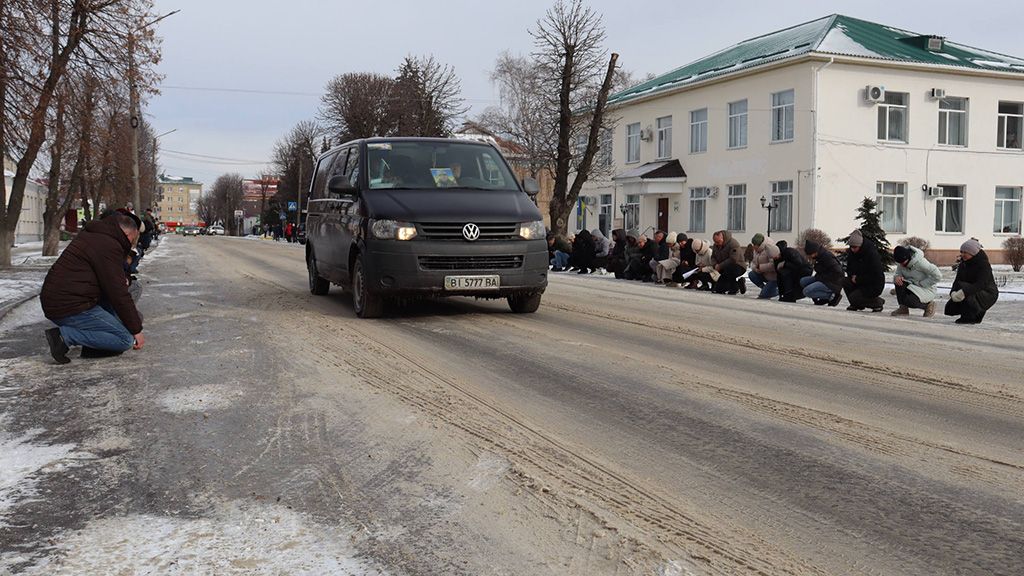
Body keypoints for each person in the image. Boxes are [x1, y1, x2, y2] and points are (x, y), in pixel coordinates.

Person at [41, 211, 145, 364]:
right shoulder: (108, 245)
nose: (131, 243)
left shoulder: (96, 237)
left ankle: (94, 344)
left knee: (131, 320)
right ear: (127, 233)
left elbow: (111, 282)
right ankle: (64, 337)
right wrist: (137, 330)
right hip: (70, 306)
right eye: (132, 238)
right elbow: (117, 292)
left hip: (66, 299)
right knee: (124, 339)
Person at [944, 239, 999, 324]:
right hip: (970, 289)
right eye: (961, 252)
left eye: (965, 252)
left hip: (988, 293)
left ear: (973, 253)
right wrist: (953, 292)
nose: (962, 254)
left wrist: (963, 292)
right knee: (950, 309)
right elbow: (957, 281)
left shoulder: (983, 265)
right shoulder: (963, 264)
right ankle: (976, 313)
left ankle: (969, 317)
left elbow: (981, 284)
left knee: (967, 292)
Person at [891, 245, 942, 317]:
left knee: (910, 301)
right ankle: (903, 308)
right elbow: (898, 273)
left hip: (926, 289)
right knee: (899, 282)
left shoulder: (921, 263)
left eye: (903, 262)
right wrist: (896, 277)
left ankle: (928, 306)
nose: (902, 265)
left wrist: (922, 283)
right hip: (912, 286)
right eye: (900, 263)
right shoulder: (901, 263)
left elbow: (938, 276)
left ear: (908, 258)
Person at [842, 229, 885, 312]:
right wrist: (852, 276)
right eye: (851, 247)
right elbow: (849, 268)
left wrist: (858, 279)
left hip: (873, 285)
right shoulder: (852, 254)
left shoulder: (871, 254)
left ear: (860, 245)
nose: (852, 249)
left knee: (854, 297)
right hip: (858, 281)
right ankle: (855, 304)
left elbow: (875, 275)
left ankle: (877, 303)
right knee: (844, 281)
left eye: (855, 247)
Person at [800, 241, 844, 306]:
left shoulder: (827, 257)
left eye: (810, 254)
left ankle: (832, 296)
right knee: (803, 281)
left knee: (806, 291)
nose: (810, 256)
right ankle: (822, 298)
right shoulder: (819, 256)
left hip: (833, 282)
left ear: (814, 252)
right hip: (822, 279)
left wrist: (822, 277)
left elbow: (838, 272)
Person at [709, 230, 747, 294]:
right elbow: (713, 257)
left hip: (739, 266)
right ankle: (735, 287)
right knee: (727, 273)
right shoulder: (715, 245)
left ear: (723, 238)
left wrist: (720, 265)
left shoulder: (733, 243)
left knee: (727, 273)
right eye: (715, 242)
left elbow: (733, 259)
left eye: (718, 242)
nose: (717, 244)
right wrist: (715, 264)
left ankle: (719, 289)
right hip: (724, 266)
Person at [748, 233, 779, 299]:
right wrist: (755, 268)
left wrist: (761, 267)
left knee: (763, 296)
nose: (753, 247)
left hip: (773, 278)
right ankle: (765, 288)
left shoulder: (771, 249)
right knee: (751, 274)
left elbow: (774, 265)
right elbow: (753, 263)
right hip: (763, 274)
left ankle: (777, 291)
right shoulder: (756, 250)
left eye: (755, 245)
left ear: (759, 244)